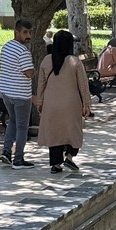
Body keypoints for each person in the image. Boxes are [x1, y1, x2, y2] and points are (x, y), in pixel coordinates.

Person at [34, 30, 90, 174]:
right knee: (73, 132)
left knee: (55, 134)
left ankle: (56, 164)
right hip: (71, 104)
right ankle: (70, 157)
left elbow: (41, 85)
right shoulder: (75, 62)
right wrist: (87, 104)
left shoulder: (46, 61)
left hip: (51, 104)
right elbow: (83, 85)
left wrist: (39, 102)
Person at [0, 19, 36, 168]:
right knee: (22, 127)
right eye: (25, 32)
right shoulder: (23, 51)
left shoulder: (6, 47)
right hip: (21, 94)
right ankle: (18, 159)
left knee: (12, 122)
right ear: (17, 32)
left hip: (7, 92)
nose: (28, 36)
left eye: (30, 32)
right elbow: (29, 73)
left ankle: (6, 152)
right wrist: (34, 71)